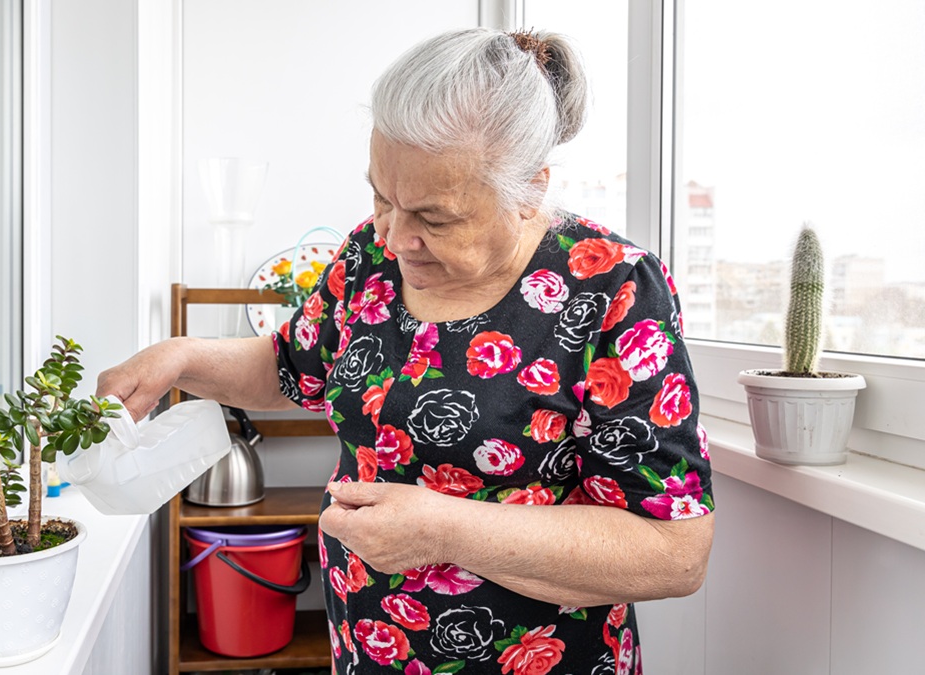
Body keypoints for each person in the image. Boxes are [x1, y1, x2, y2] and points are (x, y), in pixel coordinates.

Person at [98, 27, 713, 675]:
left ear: (530, 189)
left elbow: (675, 551)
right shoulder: (369, 255)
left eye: (434, 217)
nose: (396, 235)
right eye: (381, 196)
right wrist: (179, 358)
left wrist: (446, 530)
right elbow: (288, 367)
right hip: (367, 650)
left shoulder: (610, 287)